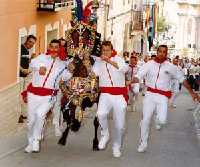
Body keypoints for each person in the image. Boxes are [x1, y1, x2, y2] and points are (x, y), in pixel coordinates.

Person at [131, 45, 199, 153]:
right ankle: (143, 143)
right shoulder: (149, 64)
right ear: (157, 52)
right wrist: (132, 81)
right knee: (145, 120)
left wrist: (192, 93)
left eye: (164, 52)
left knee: (162, 121)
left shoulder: (171, 67)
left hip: (162, 96)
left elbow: (182, 80)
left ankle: (157, 118)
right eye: (160, 51)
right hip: (150, 94)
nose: (162, 54)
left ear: (166, 54)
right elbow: (139, 76)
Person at [24, 39, 72, 153]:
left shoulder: (62, 64)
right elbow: (32, 63)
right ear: (49, 47)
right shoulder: (41, 58)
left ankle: (36, 139)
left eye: (57, 47)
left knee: (40, 114)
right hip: (33, 94)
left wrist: (71, 70)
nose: (54, 49)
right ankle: (30, 141)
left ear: (59, 49)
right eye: (52, 47)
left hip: (49, 96)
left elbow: (65, 77)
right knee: (31, 121)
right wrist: (40, 66)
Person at [92, 41, 128, 157]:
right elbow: (94, 74)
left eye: (107, 50)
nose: (105, 52)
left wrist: (109, 61)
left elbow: (124, 69)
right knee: (100, 114)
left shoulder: (118, 59)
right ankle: (105, 134)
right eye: (103, 50)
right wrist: (88, 66)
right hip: (105, 94)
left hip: (119, 94)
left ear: (112, 50)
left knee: (120, 126)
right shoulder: (98, 62)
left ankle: (116, 146)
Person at [19, 35, 37, 122]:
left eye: (33, 43)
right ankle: (22, 114)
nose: (31, 44)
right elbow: (16, 61)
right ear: (26, 40)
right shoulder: (21, 48)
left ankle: (24, 114)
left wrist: (31, 59)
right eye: (30, 42)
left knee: (24, 95)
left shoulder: (27, 50)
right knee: (21, 96)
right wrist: (22, 70)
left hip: (25, 76)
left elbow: (25, 62)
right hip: (19, 77)